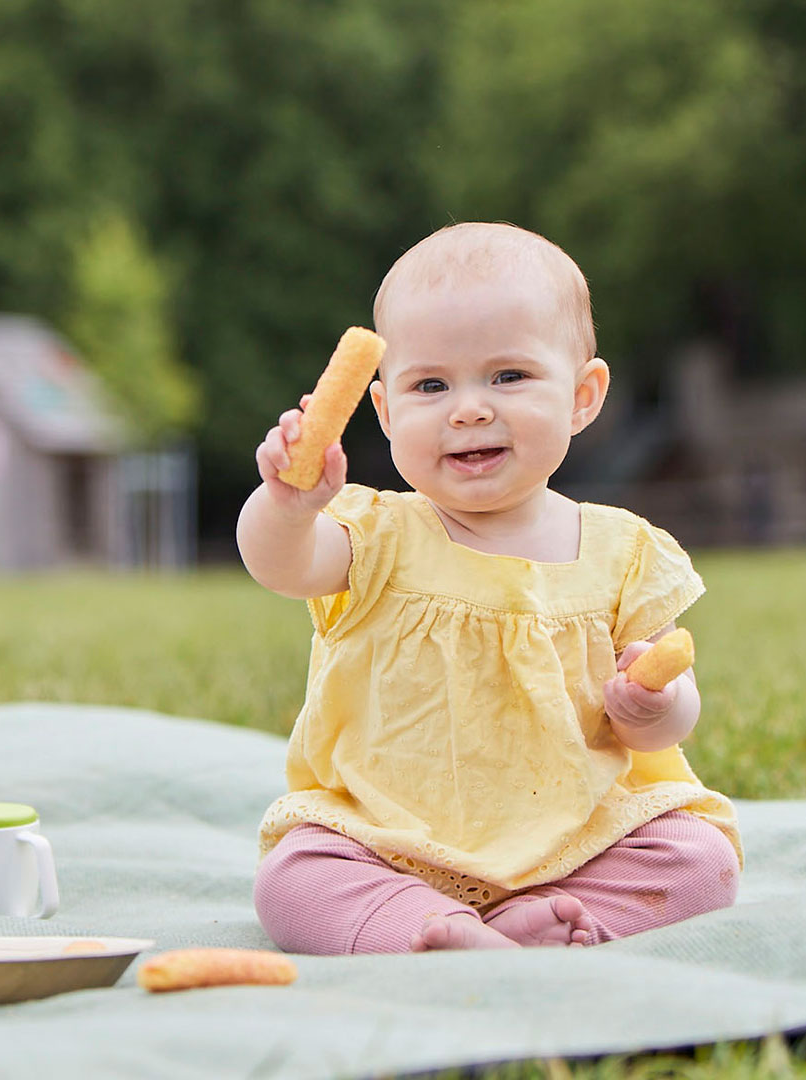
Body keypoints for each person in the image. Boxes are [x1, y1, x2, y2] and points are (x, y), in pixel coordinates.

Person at [237, 222, 741, 954]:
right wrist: (288, 506)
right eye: (431, 385)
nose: (468, 408)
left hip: (580, 840)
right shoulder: (376, 535)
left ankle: (548, 920)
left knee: (700, 859)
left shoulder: (622, 551)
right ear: (384, 411)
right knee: (293, 876)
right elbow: (280, 564)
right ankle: (427, 927)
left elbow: (667, 721)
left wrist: (653, 704)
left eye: (507, 376)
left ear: (582, 396)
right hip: (389, 840)